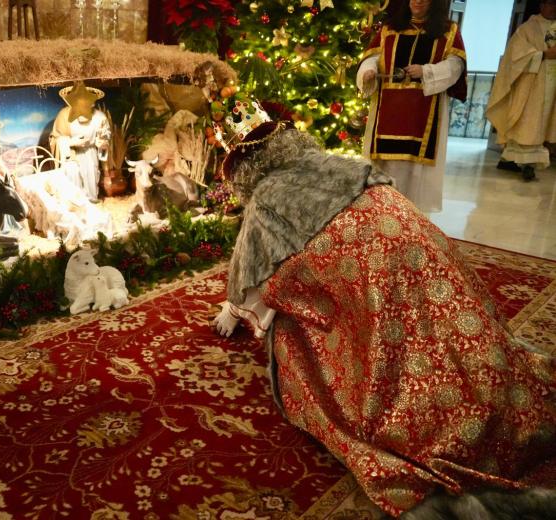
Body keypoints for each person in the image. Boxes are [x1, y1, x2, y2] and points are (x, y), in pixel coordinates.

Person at [212, 113, 556, 518]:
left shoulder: (265, 200)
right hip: (435, 271)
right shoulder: (345, 163)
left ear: (243, 172)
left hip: (376, 304)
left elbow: (254, 290)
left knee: (291, 337)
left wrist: (234, 308)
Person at [356, 0, 467, 213]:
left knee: (416, 171)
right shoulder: (389, 29)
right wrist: (368, 72)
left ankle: (413, 217)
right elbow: (372, 59)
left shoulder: (448, 30)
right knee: (386, 166)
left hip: (425, 110)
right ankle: (384, 212)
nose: (418, 1)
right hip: (388, 110)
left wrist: (426, 71)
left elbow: (455, 65)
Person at [487, 0, 556, 182]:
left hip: (552, 84)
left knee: (544, 126)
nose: (553, 8)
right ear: (541, 5)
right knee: (527, 124)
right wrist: (544, 54)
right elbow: (516, 54)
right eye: (549, 3)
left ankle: (527, 164)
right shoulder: (528, 28)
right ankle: (524, 165)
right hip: (531, 87)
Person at [50, 81, 111, 203]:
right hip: (71, 155)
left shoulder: (100, 117)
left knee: (91, 177)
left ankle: (91, 203)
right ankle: (76, 205)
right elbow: (55, 139)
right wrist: (71, 142)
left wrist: (102, 144)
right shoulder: (64, 115)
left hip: (90, 153)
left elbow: (105, 141)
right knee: (73, 175)